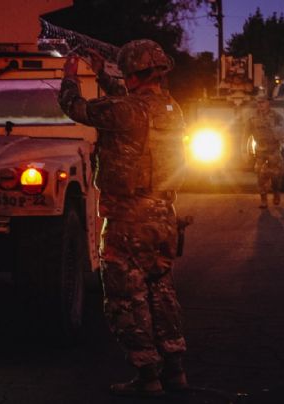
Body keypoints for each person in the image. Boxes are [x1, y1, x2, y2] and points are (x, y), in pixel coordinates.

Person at [59, 40, 188, 398]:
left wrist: (70, 75)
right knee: (161, 290)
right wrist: (102, 71)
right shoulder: (169, 108)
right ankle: (175, 369)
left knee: (126, 297)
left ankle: (148, 377)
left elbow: (75, 107)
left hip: (129, 217)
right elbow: (129, 107)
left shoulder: (127, 110)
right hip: (164, 215)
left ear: (132, 73)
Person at [248, 95, 284, 208]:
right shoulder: (252, 118)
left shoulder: (277, 117)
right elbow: (247, 134)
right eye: (258, 103)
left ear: (268, 103)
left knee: (276, 175)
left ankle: (276, 193)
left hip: (273, 150)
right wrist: (246, 149)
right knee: (260, 175)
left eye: (263, 102)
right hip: (260, 150)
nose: (260, 105)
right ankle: (263, 199)